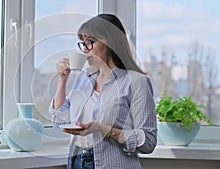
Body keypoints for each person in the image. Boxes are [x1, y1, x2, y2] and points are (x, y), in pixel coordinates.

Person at [49, 14, 157, 169]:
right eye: (82, 43)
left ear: (110, 42)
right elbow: (60, 118)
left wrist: (102, 129)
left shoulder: (136, 82)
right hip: (77, 160)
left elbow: (148, 142)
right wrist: (62, 80)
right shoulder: (84, 79)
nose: (85, 49)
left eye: (90, 42)